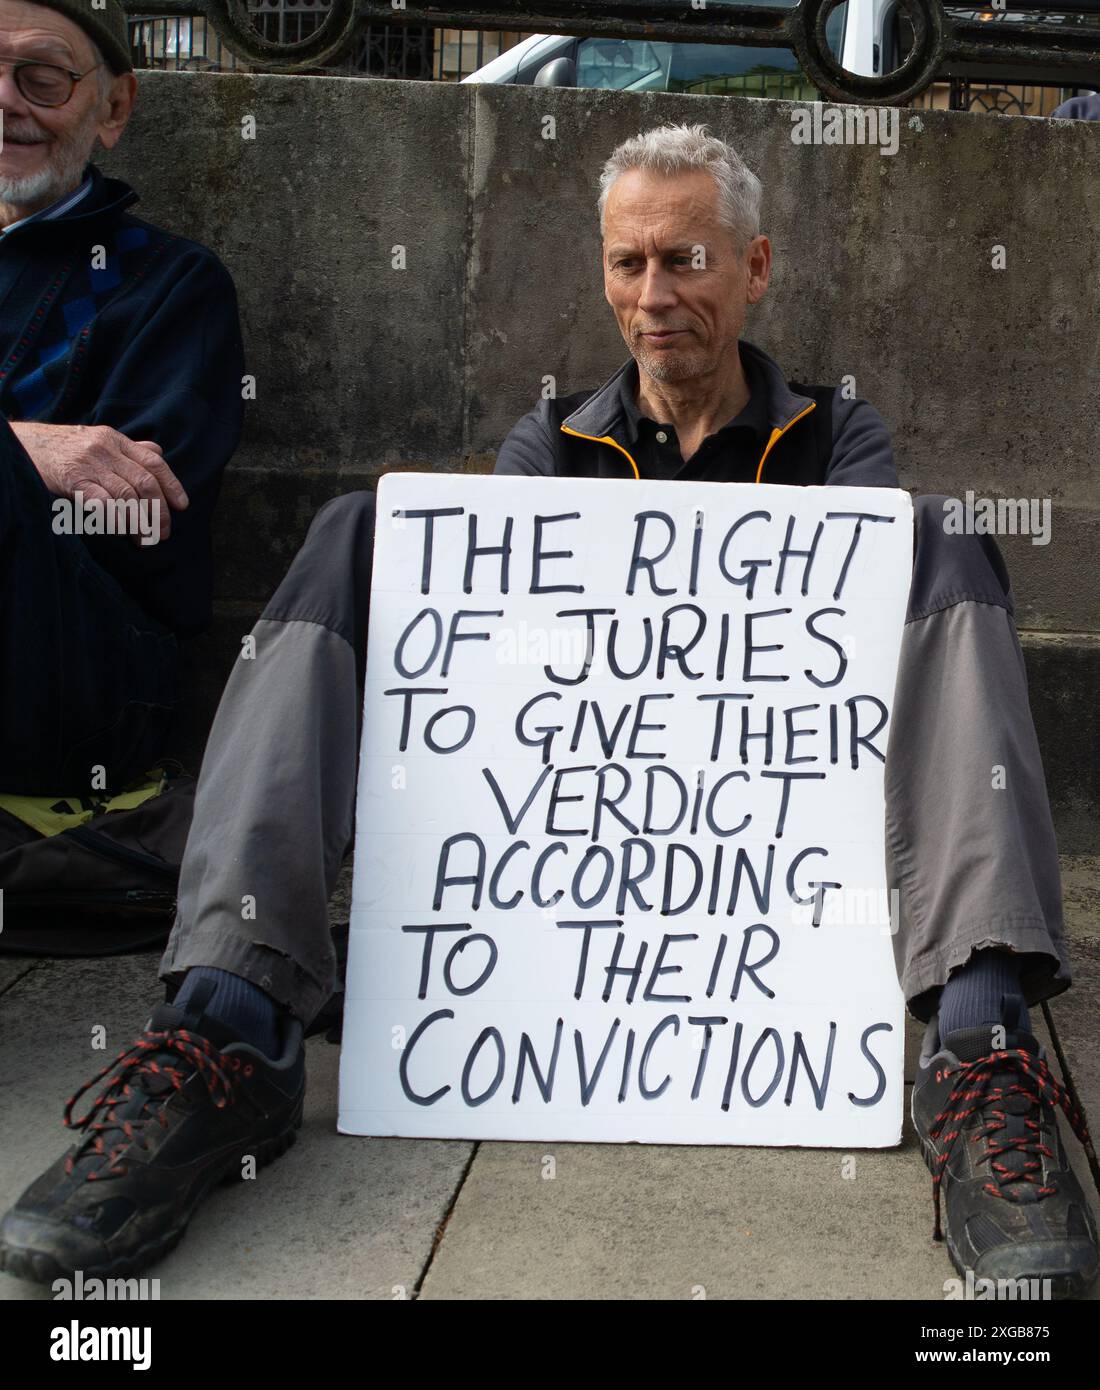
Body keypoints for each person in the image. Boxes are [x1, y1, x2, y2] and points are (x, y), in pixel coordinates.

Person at [2, 123, 1094, 1298]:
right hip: (577, 811)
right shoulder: (551, 438)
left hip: (773, 832)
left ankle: (978, 1038)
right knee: (353, 534)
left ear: (755, 268)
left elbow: (849, 670)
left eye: (687, 259)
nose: (653, 294)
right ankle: (227, 1016)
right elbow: (496, 671)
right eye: (628, 264)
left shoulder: (836, 435)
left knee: (937, 536)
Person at [0, 0, 245, 797]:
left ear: (112, 109)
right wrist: (30, 446)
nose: (6, 100)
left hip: (72, 670)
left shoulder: (167, 285)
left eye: (40, 78)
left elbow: (141, 520)